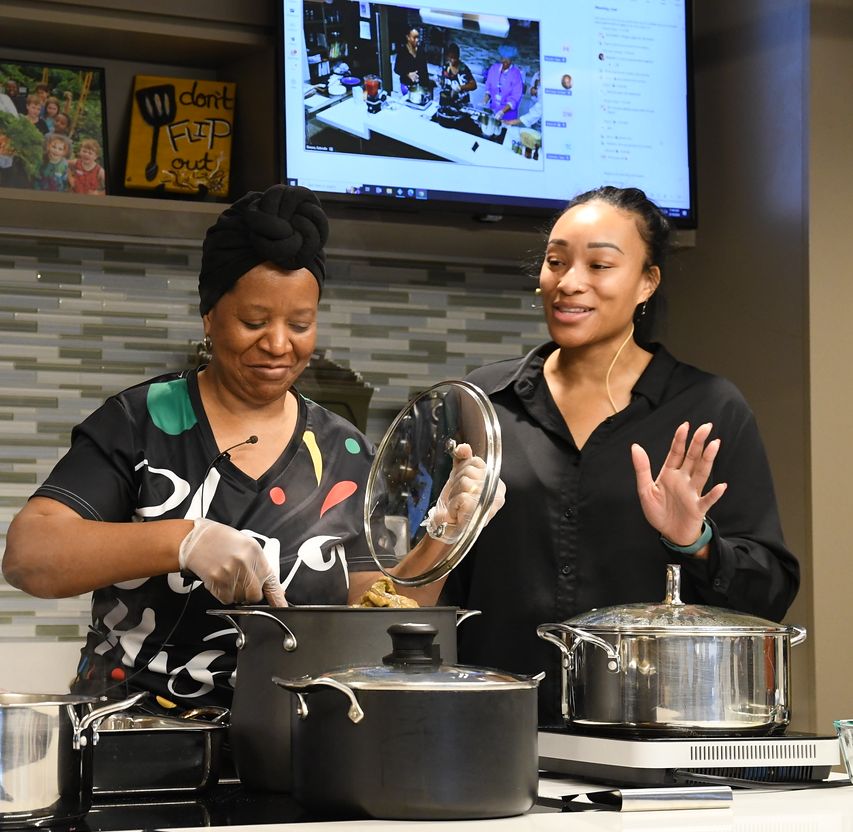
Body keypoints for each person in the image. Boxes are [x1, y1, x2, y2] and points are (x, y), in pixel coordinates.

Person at [2, 183, 503, 712]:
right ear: (209, 316)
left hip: (296, 737)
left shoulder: (344, 451)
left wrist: (445, 536)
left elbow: (377, 625)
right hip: (133, 735)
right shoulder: (140, 422)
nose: (279, 344)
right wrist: (184, 540)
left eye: (300, 324)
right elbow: (29, 556)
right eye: (254, 322)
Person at [440, 185, 800, 727]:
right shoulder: (482, 403)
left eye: (599, 265)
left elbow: (769, 594)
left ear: (647, 282)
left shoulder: (708, 407)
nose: (569, 282)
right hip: (492, 727)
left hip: (650, 731)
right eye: (556, 261)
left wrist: (695, 542)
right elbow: (431, 582)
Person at [482, 44, 524, 121]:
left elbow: (515, 98)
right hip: (493, 110)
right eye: (503, 59)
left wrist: (502, 112)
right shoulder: (494, 68)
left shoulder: (516, 74)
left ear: (512, 60)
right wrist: (484, 102)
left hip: (508, 114)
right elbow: (489, 89)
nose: (505, 62)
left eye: (508, 60)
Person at [394, 26, 430, 92]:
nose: (417, 40)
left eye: (417, 37)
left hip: (419, 86)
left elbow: (424, 70)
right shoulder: (402, 52)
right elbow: (396, 69)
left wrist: (427, 85)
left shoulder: (421, 51)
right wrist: (408, 74)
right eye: (414, 37)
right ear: (408, 37)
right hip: (406, 85)